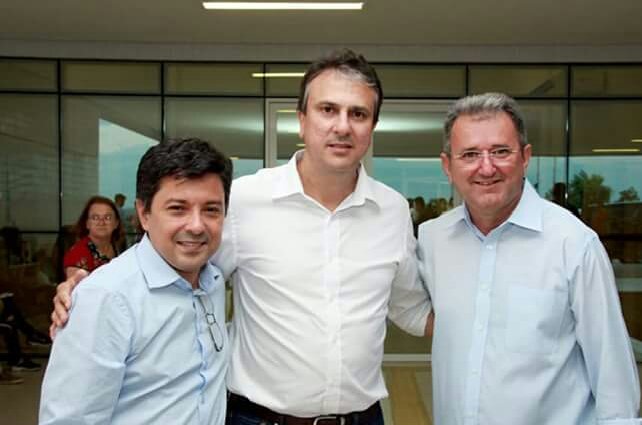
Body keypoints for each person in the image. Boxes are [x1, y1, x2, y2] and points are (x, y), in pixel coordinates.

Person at [52, 49, 431, 425]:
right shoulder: (244, 201)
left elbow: (410, 308)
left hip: (362, 419)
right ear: (302, 120)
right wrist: (92, 291)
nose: (342, 126)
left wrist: (469, 318)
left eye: (358, 114)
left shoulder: (392, 211)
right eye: (328, 109)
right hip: (259, 418)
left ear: (372, 126)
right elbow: (175, 269)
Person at [417, 92, 641, 424]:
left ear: (525, 158)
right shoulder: (433, 239)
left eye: (500, 151)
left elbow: (613, 375)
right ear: (448, 166)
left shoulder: (573, 244)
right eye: (470, 154)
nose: (486, 167)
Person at [40, 138, 232, 424]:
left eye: (211, 209)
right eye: (177, 208)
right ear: (144, 214)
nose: (196, 225)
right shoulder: (105, 299)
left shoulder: (213, 281)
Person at [63, 195, 124, 278]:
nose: (101, 222)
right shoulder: (77, 254)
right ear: (87, 223)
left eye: (107, 217)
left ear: (116, 223)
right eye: (95, 218)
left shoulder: (118, 248)